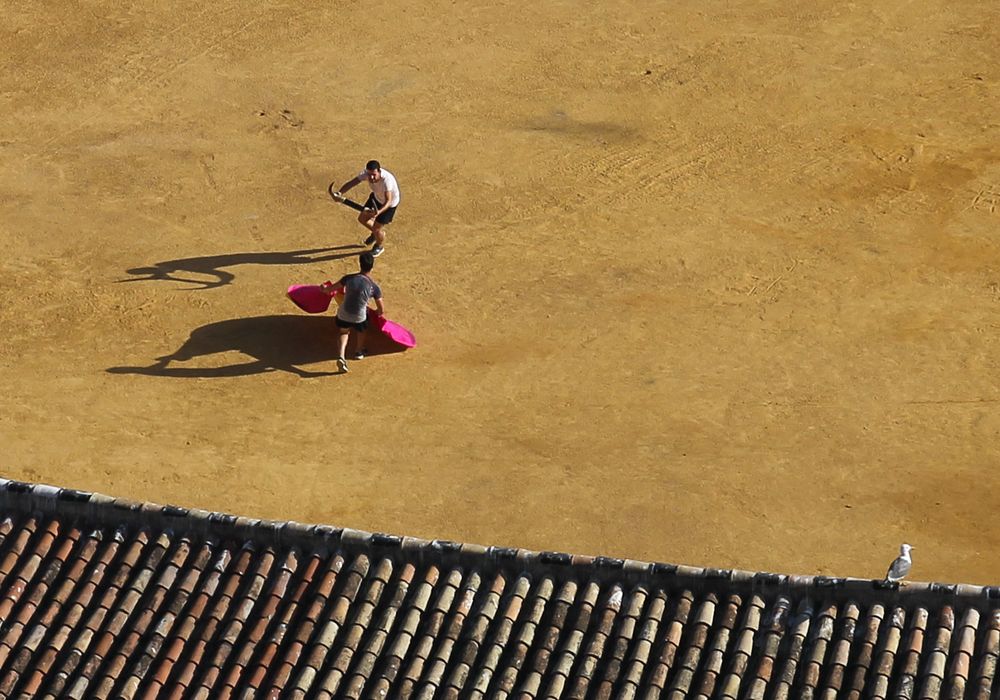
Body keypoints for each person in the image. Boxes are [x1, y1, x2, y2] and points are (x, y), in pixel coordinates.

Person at [322, 251, 383, 373]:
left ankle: (341, 356)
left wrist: (323, 289)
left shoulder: (348, 279)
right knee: (362, 329)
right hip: (359, 317)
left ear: (360, 264)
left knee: (343, 332)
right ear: (372, 267)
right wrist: (378, 312)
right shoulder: (373, 287)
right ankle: (359, 351)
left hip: (343, 314)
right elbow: (380, 308)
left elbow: (329, 290)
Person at [331, 160, 401, 258]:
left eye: (374, 175)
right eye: (369, 174)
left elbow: (388, 201)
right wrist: (340, 193)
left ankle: (379, 246)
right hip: (375, 198)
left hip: (389, 206)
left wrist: (378, 212)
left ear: (379, 171)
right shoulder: (366, 174)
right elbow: (353, 182)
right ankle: (377, 235)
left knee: (377, 228)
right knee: (362, 219)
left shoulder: (387, 181)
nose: (371, 177)